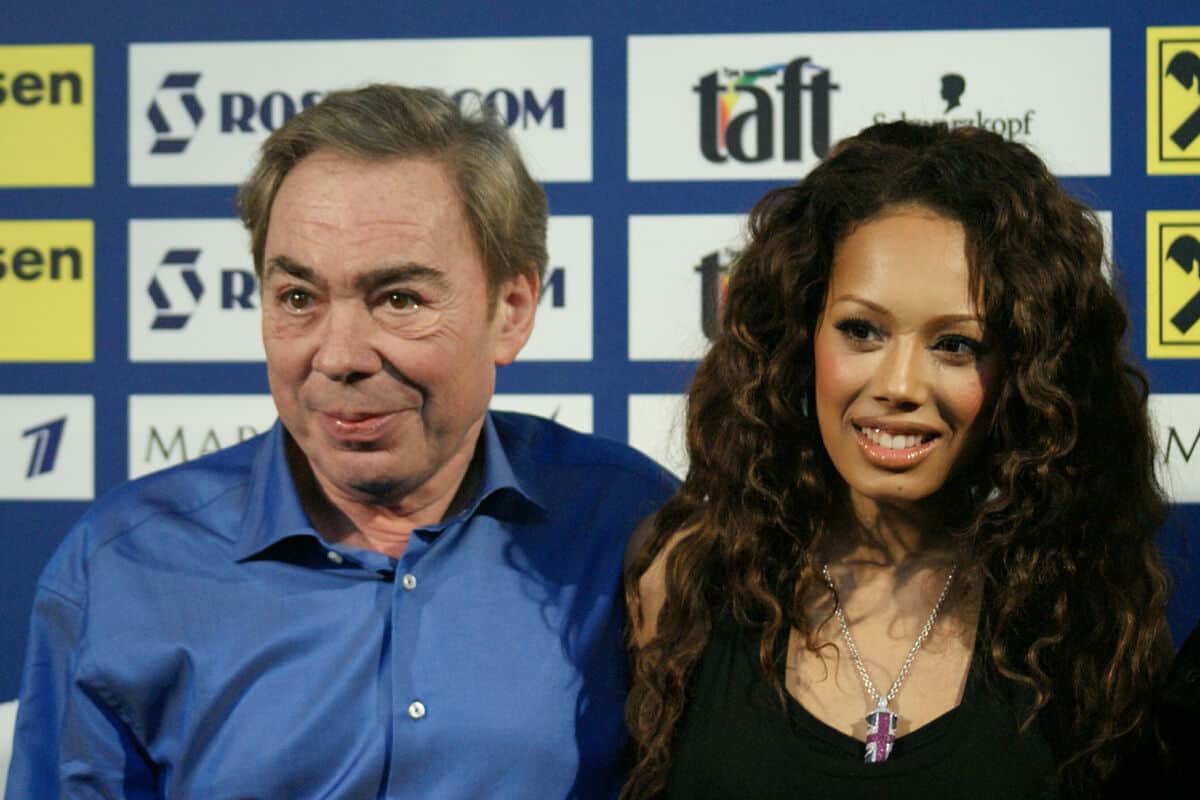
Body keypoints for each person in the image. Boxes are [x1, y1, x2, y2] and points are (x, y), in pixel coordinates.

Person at [7, 84, 677, 798]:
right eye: (299, 298)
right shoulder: (123, 564)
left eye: (399, 299)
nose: (339, 356)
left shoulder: (632, 527)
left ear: (510, 310)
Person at [623, 121, 1173, 799]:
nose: (900, 385)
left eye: (956, 344)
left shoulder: (1084, 611)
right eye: (861, 330)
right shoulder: (682, 577)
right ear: (799, 335)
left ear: (1025, 370)